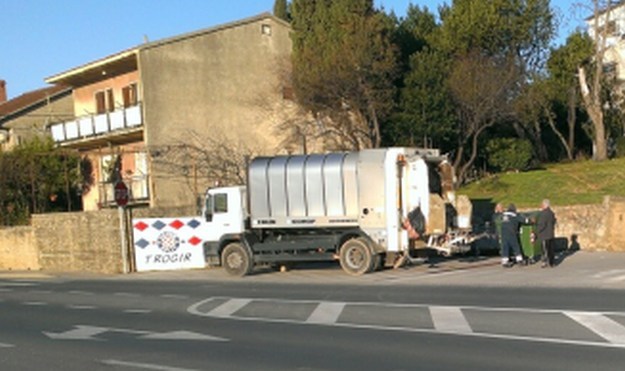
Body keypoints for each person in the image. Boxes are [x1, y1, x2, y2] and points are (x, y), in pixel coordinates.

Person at [536, 199, 557, 267]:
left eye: (542, 204)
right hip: (550, 233)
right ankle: (552, 262)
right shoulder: (551, 213)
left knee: (544, 249)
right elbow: (554, 222)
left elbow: (542, 224)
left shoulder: (543, 214)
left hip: (544, 235)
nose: (541, 206)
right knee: (551, 249)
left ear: (544, 205)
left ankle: (544, 262)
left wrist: (537, 231)